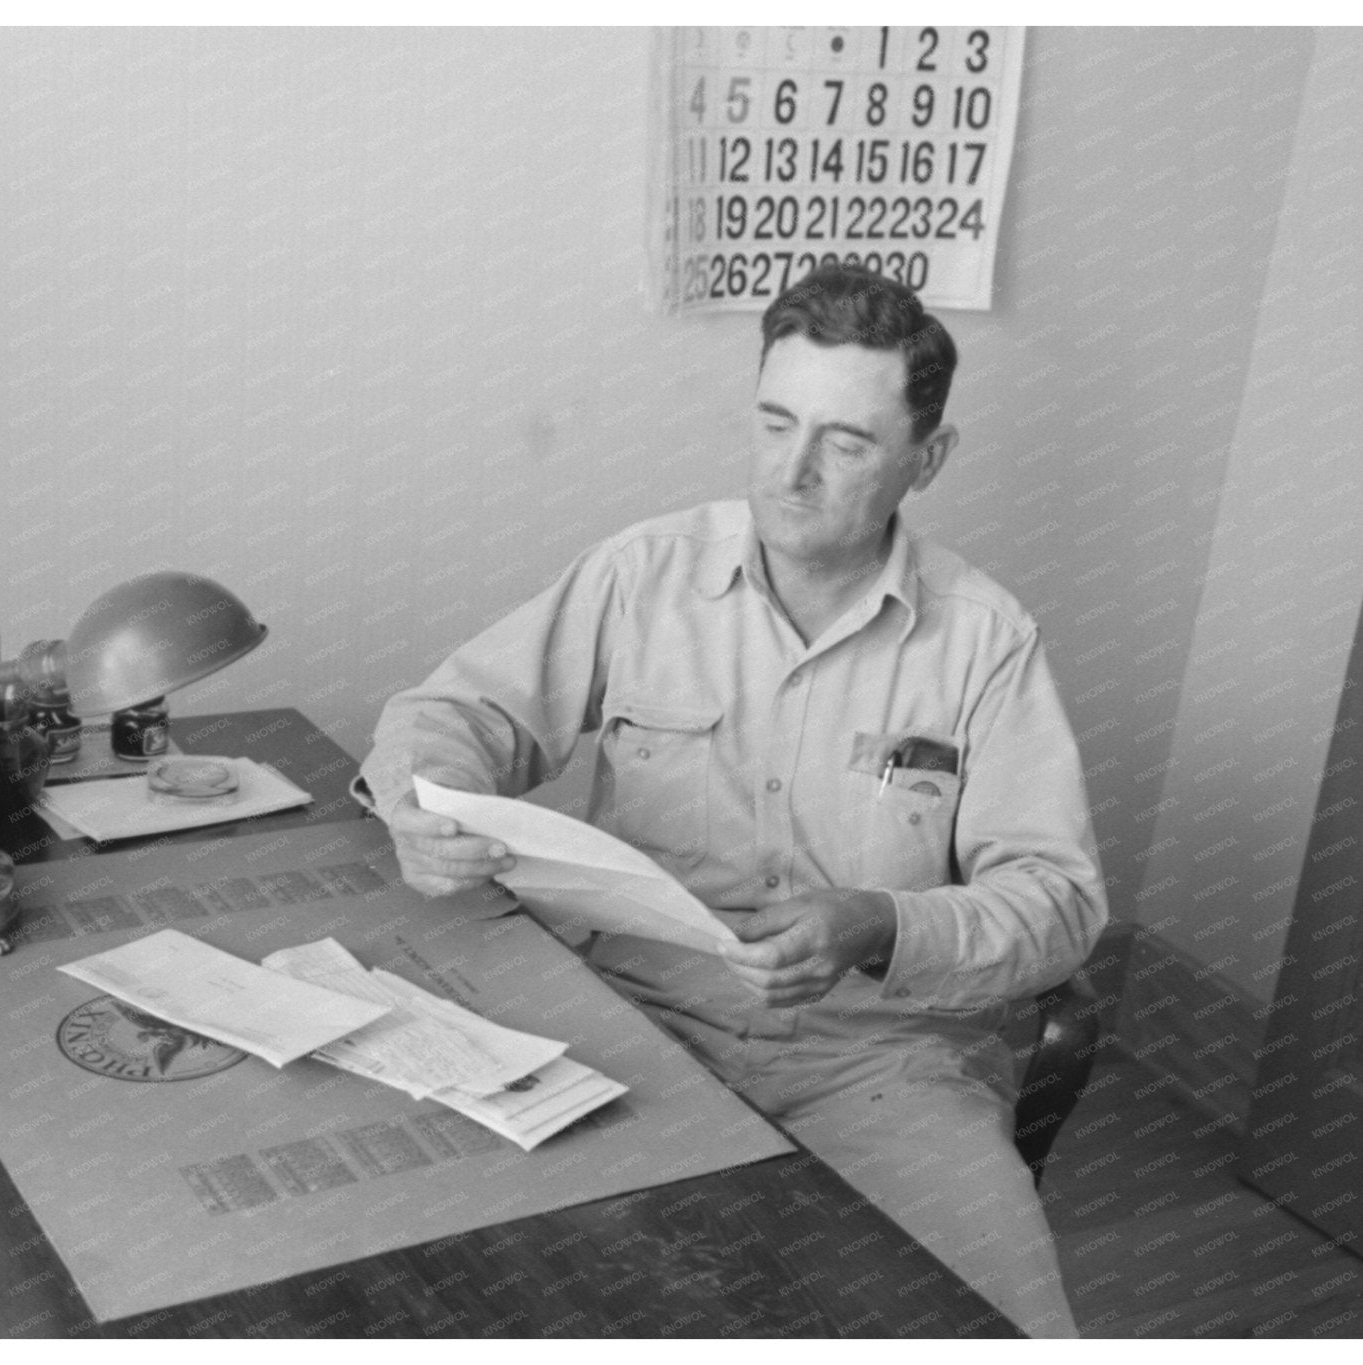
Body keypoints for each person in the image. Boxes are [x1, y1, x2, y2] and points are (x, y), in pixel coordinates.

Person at [355, 264, 1106, 1336]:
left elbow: (1059, 905)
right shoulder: (643, 574)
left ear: (925, 460)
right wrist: (421, 807)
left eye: (844, 443)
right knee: (481, 1295)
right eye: (772, 424)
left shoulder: (984, 640)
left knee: (995, 1327)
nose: (790, 474)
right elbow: (452, 715)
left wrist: (877, 924)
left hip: (878, 1061)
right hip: (630, 1026)